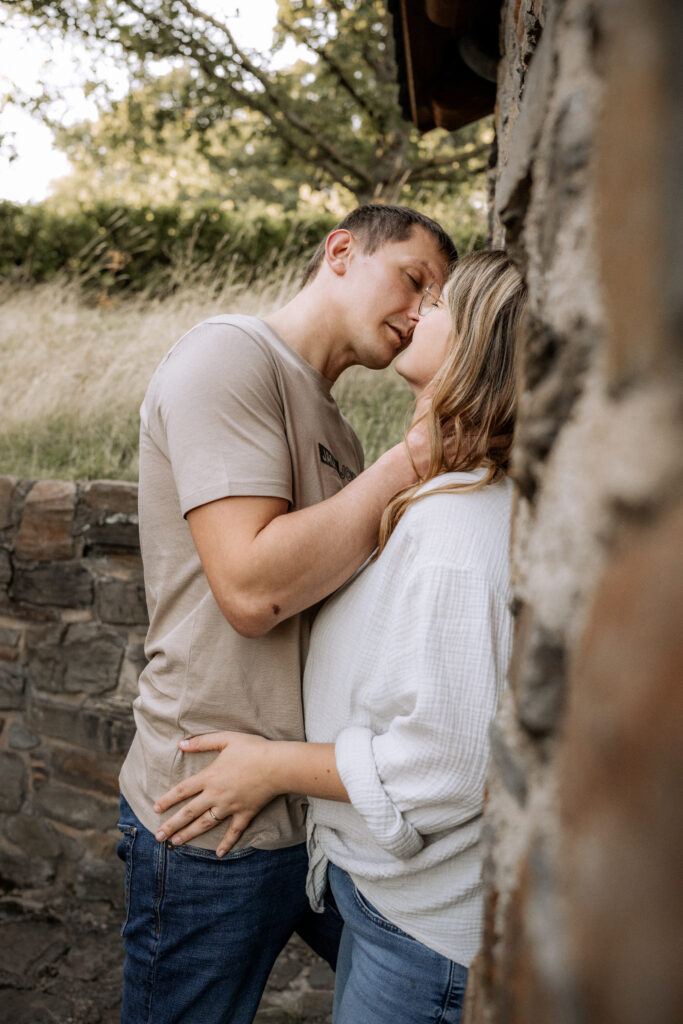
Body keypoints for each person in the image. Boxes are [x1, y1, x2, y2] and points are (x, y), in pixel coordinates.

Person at [154, 250, 528, 1024]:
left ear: (478, 344)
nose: (421, 310)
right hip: (391, 907)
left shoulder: (460, 528)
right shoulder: (435, 498)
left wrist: (272, 768)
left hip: (420, 936)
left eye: (442, 302)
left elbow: (450, 767)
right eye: (417, 285)